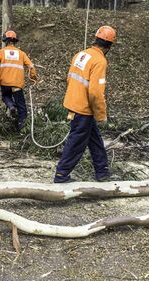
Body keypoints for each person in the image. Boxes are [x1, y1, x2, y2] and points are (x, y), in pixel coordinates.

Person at [54, 26, 116, 183]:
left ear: (95, 39)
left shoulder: (80, 54)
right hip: (83, 108)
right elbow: (95, 93)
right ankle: (61, 175)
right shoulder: (100, 61)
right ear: (109, 46)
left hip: (73, 102)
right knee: (76, 142)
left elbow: (69, 78)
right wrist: (101, 115)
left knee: (94, 139)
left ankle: (102, 171)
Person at [0, 30, 38, 132]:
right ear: (15, 41)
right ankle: (22, 130)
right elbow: (31, 67)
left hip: (5, 84)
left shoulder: (1, 52)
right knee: (22, 108)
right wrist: (33, 79)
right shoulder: (21, 54)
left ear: (5, 41)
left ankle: (11, 106)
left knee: (5, 96)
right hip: (17, 85)